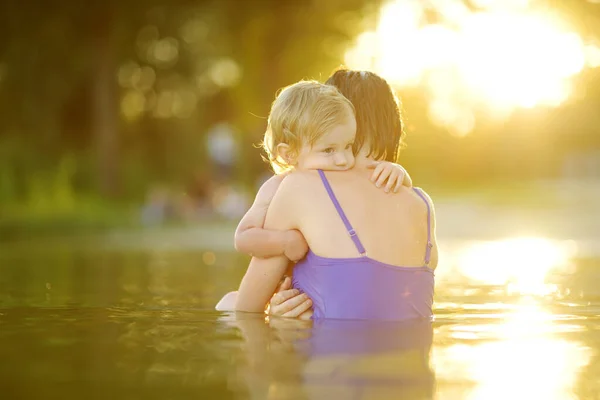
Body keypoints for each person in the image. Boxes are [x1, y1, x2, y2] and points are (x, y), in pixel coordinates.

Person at [227, 69, 437, 321]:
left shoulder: (299, 186)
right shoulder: (422, 203)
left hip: (333, 354)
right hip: (412, 355)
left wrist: (274, 315)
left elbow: (246, 309)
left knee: (228, 304)